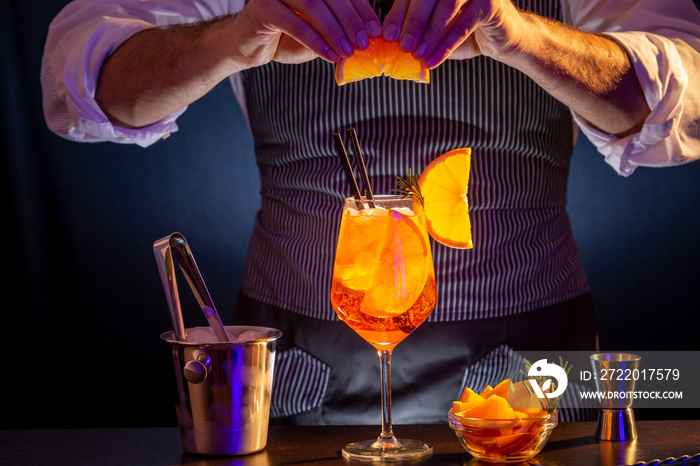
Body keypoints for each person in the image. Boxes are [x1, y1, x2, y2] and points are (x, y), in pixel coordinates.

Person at [42, 0, 700, 425]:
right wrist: (234, 39)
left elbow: (688, 96)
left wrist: (523, 35)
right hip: (296, 379)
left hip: (541, 375)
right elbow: (83, 86)